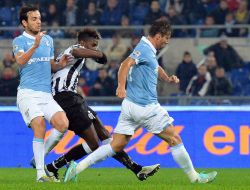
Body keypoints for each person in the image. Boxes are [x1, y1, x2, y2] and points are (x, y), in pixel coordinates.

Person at [63, 20, 217, 183]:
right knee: (175, 139)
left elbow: (154, 67)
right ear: (158, 36)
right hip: (145, 106)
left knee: (115, 146)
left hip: (130, 106)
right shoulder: (144, 48)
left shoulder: (148, 50)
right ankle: (195, 178)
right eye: (166, 37)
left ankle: (77, 168)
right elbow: (125, 65)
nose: (167, 41)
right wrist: (121, 86)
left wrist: (167, 78)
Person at [42, 28, 160, 181]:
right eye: (93, 45)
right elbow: (78, 52)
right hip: (65, 98)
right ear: (83, 42)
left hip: (72, 98)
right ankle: (52, 167)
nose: (95, 48)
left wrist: (96, 54)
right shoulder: (74, 48)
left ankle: (137, 169)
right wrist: (100, 54)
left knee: (104, 135)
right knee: (93, 143)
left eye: (97, 45)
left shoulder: (75, 54)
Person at [12, 6, 70, 182]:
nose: (39, 21)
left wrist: (61, 64)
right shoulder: (19, 41)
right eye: (34, 19)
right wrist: (34, 46)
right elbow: (21, 61)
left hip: (45, 94)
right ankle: (40, 174)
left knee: (63, 124)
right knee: (39, 125)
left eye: (39, 18)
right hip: (27, 93)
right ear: (24, 22)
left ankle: (39, 157)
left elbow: (50, 64)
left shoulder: (48, 40)